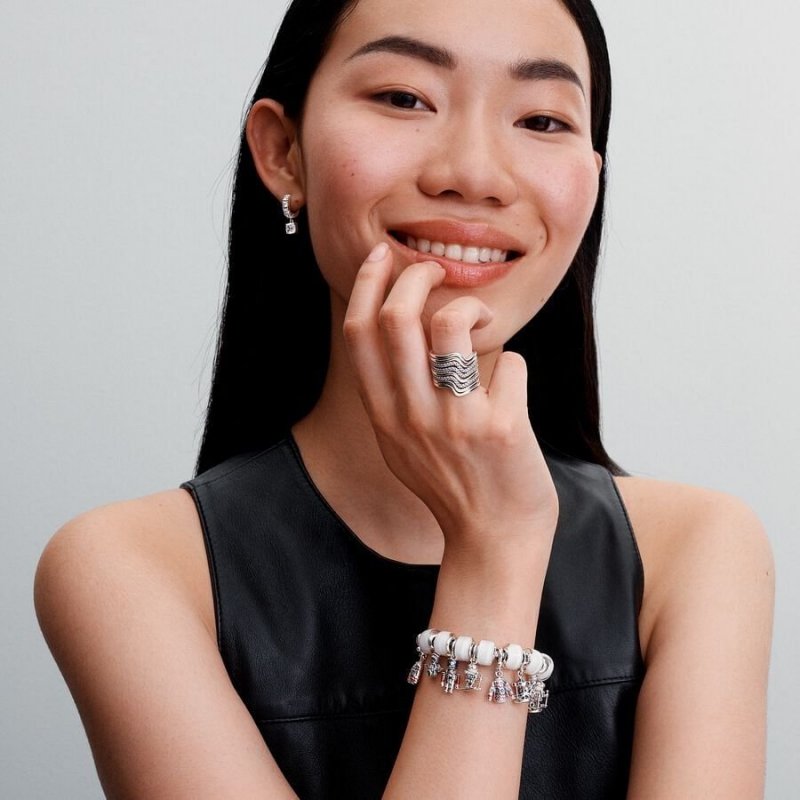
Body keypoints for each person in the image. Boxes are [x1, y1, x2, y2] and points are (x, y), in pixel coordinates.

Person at [33, 0, 775, 797]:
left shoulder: (695, 551)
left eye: (542, 119)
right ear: (283, 152)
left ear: (592, 180)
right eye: (404, 98)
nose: (475, 174)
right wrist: (493, 551)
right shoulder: (131, 569)